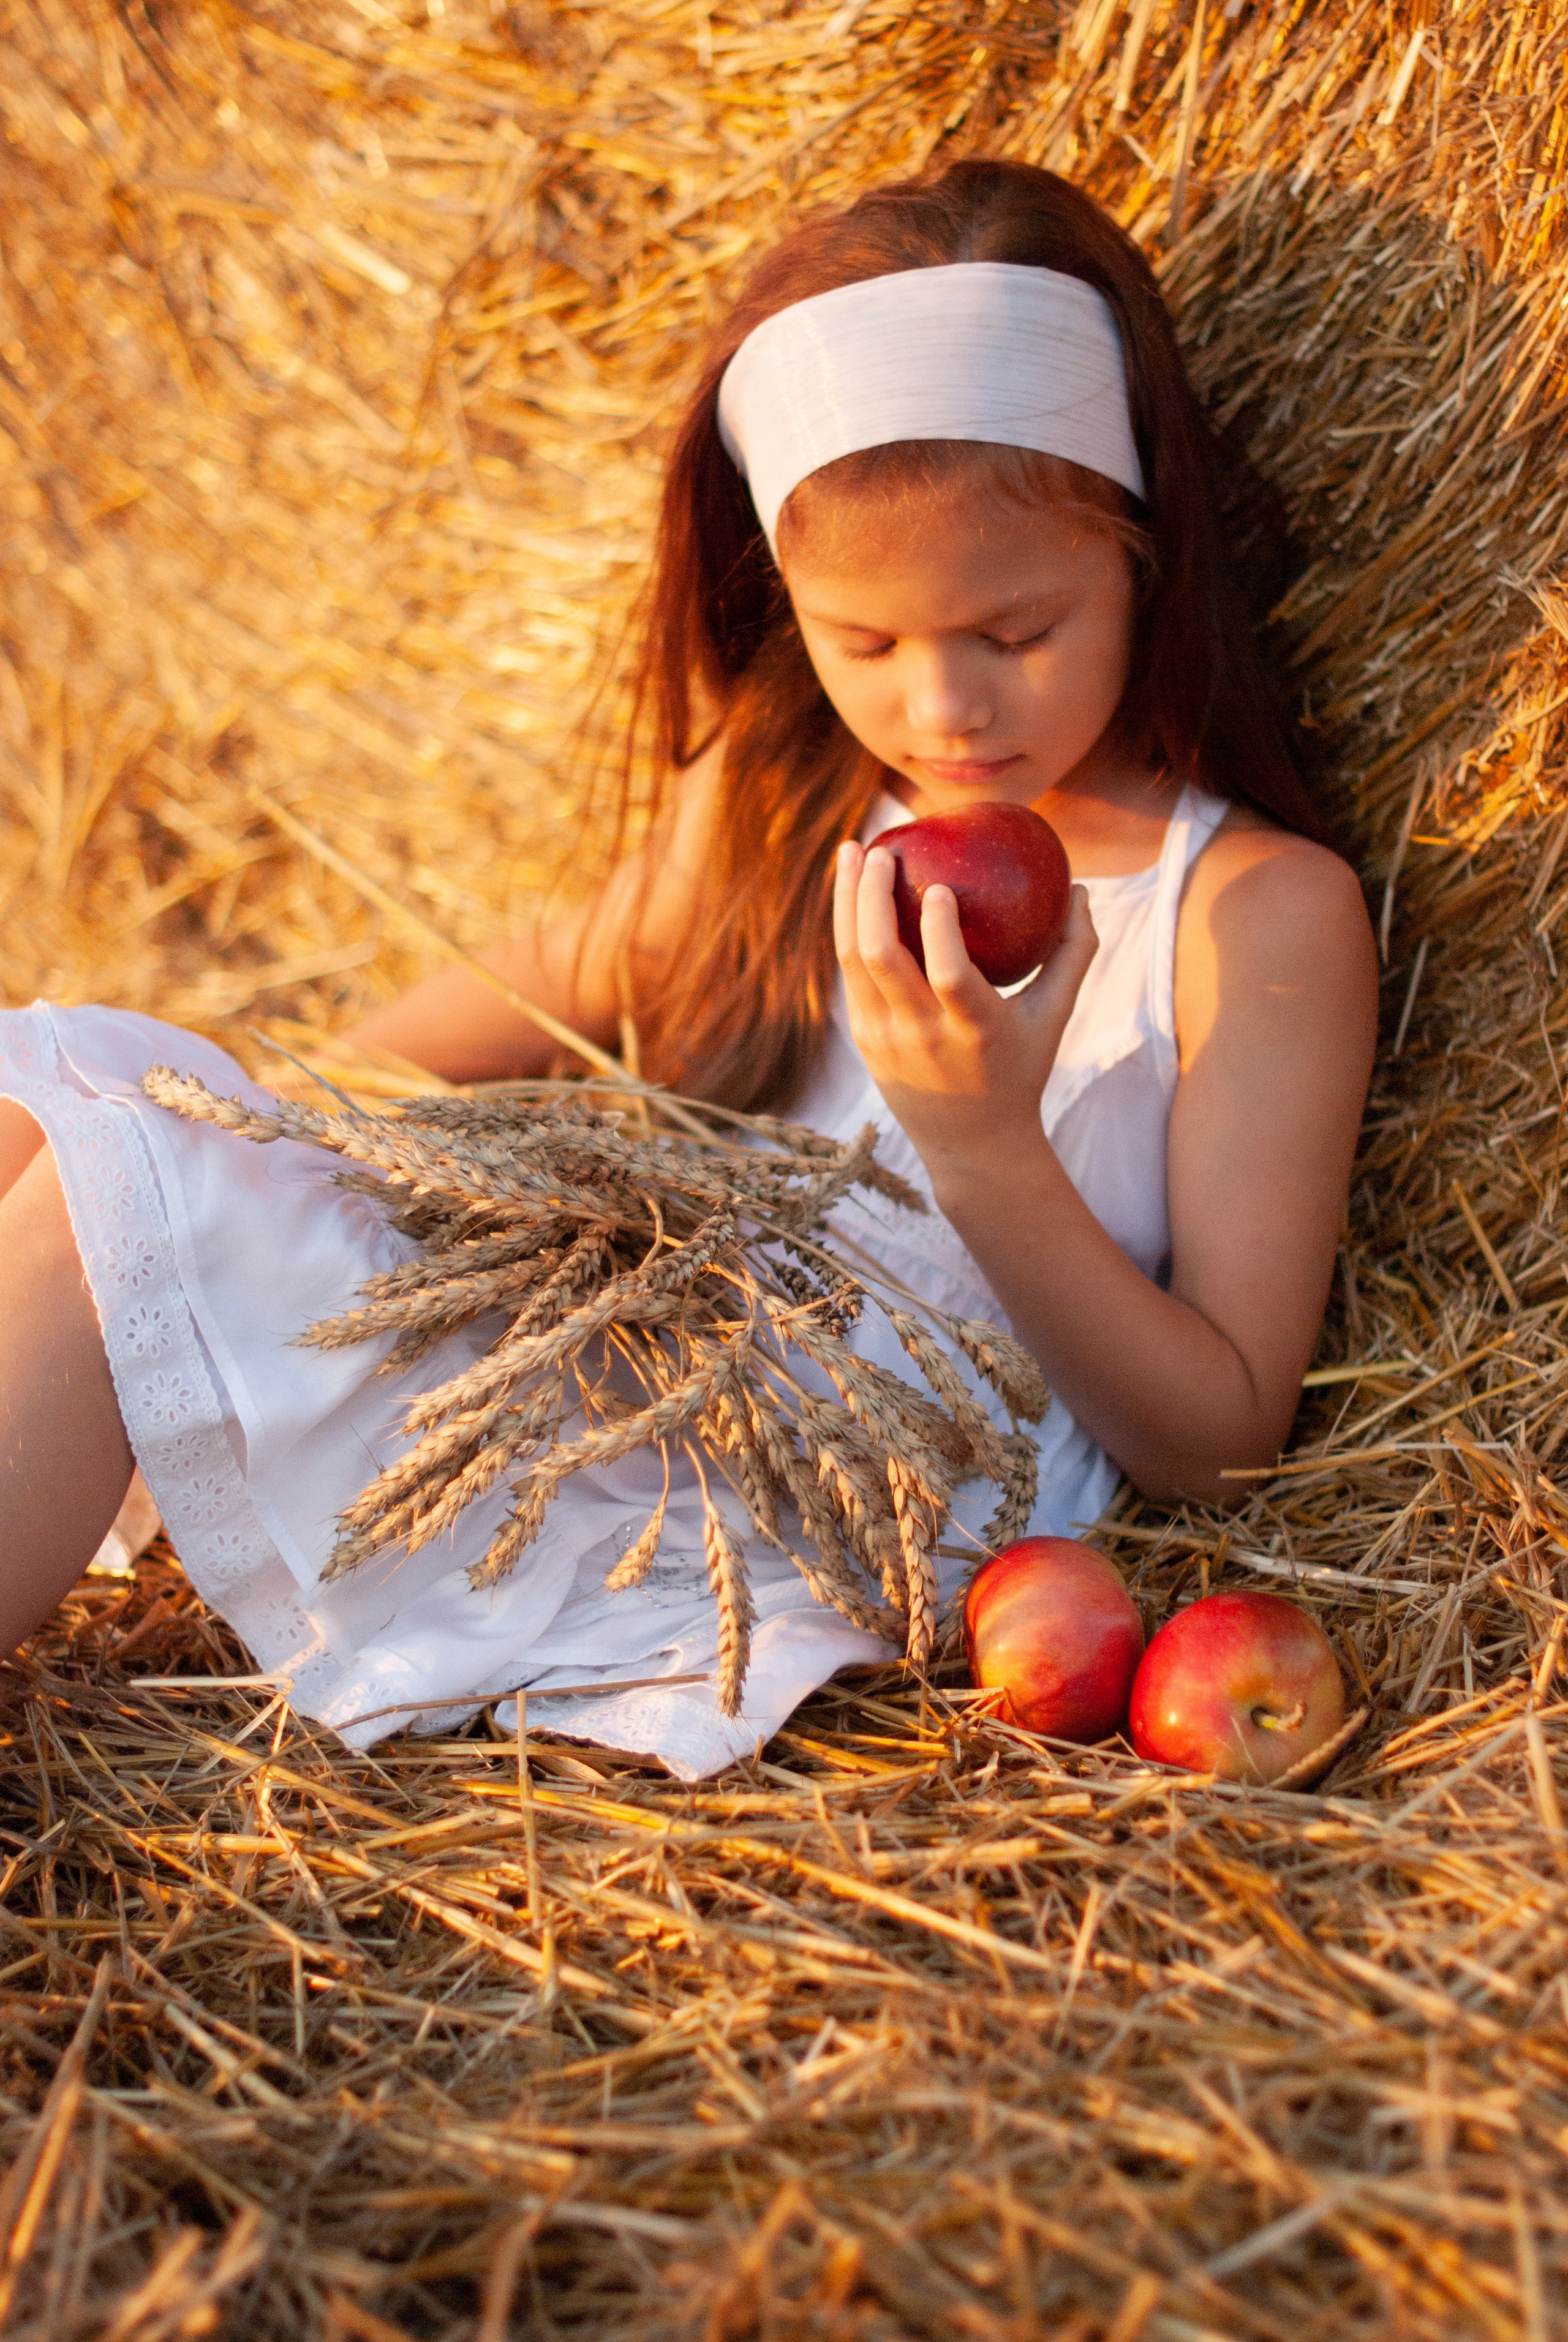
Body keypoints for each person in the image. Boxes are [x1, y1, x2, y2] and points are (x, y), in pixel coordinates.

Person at [0, 161, 1376, 1779]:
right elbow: (564, 967)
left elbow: (1222, 1442)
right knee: (71, 1117)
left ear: (1142, 554)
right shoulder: (799, 790)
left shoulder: (1246, 914)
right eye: (865, 643)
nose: (944, 709)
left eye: (1016, 633)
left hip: (835, 1464)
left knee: (98, 1216)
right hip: (638, 1336)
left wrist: (982, 1143)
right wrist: (267, 1129)